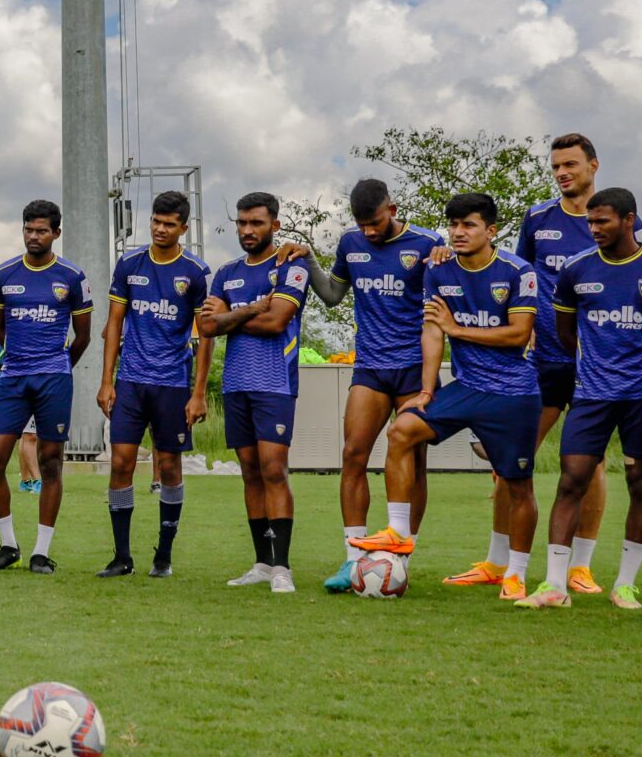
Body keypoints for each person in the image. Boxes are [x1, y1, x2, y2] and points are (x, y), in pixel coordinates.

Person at [352, 193, 541, 600]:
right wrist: (424, 389)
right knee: (402, 431)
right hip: (466, 387)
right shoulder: (438, 271)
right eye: (453, 224)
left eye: (469, 225)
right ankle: (399, 533)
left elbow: (518, 334)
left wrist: (458, 329)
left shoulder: (517, 272)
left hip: (513, 394)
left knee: (517, 484)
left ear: (491, 231)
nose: (458, 232)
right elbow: (432, 331)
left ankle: (515, 574)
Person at [523, 190, 642, 609]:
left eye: (602, 222)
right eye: (590, 223)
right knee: (571, 480)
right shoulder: (576, 271)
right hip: (590, 395)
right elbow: (566, 332)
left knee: (641, 484)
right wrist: (593, 365)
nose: (594, 230)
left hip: (641, 399)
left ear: (629, 220)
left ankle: (625, 584)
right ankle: (554, 585)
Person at [305, 179, 440, 593]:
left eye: (376, 222)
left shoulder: (427, 244)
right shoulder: (350, 245)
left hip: (413, 369)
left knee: (413, 461)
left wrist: (452, 256)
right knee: (353, 455)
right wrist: (308, 259)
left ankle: (401, 558)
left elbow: (447, 301)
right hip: (371, 368)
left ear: (393, 209)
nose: (369, 231)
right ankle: (353, 560)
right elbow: (331, 296)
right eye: (362, 224)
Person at [502, 134, 619, 592]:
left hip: (597, 363)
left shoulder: (614, 217)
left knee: (592, 464)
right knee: (511, 459)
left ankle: (580, 566)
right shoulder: (537, 219)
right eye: (555, 167)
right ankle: (500, 563)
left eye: (570, 164)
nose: (562, 172)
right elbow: (517, 275)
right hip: (542, 358)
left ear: (594, 164)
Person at [94, 192, 211, 578]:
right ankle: (122, 556)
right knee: (121, 463)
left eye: (169, 224)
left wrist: (198, 393)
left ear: (184, 227)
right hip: (130, 383)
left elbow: (205, 335)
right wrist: (106, 381)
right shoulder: (129, 263)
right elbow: (113, 324)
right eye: (156, 222)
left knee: (169, 466)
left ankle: (164, 555)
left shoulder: (195, 272)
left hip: (173, 386)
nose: (161, 229)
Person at [199, 192, 311, 594]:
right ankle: (262, 563)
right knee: (249, 473)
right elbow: (207, 328)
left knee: (273, 470)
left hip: (275, 383)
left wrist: (229, 318)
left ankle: (283, 567)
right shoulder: (226, 273)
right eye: (242, 224)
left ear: (275, 225)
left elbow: (277, 322)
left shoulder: (291, 266)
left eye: (256, 223)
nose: (248, 231)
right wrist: (248, 310)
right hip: (236, 384)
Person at [0, 200, 92, 574]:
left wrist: (58, 367)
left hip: (53, 379)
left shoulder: (72, 277)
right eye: (29, 229)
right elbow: (0, 329)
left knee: (50, 463)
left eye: (41, 230)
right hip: (13, 377)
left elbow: (83, 336)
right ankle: (9, 544)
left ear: (56, 234)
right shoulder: (4, 274)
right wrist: (20, 357)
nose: (33, 236)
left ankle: (41, 552)